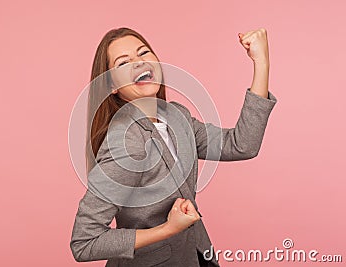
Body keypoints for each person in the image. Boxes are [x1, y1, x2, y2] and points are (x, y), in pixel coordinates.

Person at [70, 27, 277, 266]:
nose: (139, 63)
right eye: (123, 63)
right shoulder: (125, 142)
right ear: (112, 86)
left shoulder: (176, 116)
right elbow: (84, 242)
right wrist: (168, 229)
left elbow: (242, 145)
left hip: (196, 255)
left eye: (143, 53)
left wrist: (261, 63)